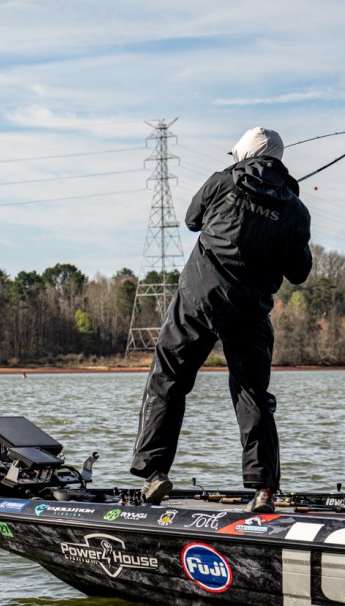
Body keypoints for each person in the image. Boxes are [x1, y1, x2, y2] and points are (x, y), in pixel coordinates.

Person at [130, 126, 312, 512]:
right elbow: (299, 272)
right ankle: (264, 490)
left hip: (198, 297)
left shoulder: (221, 182)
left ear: (243, 155)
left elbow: (192, 219)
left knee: (167, 380)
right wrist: (283, 219)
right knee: (252, 393)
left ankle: (154, 473)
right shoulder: (295, 209)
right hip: (249, 309)